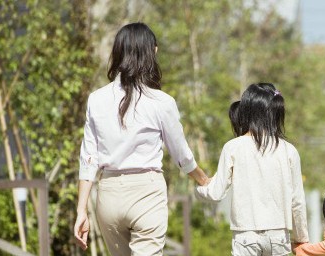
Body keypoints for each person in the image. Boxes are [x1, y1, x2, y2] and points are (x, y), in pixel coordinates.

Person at [73, 22, 209, 255]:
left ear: (117, 53)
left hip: (109, 195)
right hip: (147, 192)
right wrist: (203, 179)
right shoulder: (162, 102)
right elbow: (182, 155)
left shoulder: (96, 99)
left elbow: (88, 159)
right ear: (152, 52)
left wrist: (81, 210)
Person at [196, 83, 309, 256]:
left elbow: (216, 193)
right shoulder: (289, 150)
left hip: (245, 236)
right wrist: (301, 237)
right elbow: (297, 201)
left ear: (246, 111)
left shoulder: (233, 147)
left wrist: (199, 188)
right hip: (279, 237)